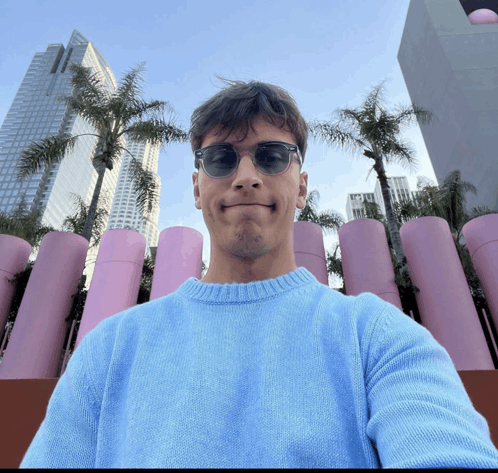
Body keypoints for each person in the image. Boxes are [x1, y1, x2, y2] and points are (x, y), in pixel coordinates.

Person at [20, 79, 498, 468]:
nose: (246, 175)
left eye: (270, 156)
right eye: (221, 158)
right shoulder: (111, 348)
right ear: (196, 185)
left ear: (302, 184)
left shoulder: (376, 336)